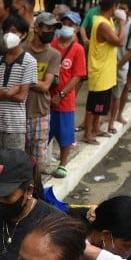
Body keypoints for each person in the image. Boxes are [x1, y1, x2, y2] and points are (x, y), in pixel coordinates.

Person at [0, 15, 35, 175]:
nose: (8, 35)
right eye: (6, 31)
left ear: (23, 35)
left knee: (12, 164)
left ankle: (9, 197)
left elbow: (20, 96)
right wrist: (7, 92)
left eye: (13, 31)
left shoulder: (29, 61)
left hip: (14, 124)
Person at [24, 13, 62, 188]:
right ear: (37, 28)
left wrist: (23, 79)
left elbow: (45, 85)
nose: (51, 32)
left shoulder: (54, 54)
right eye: (48, 28)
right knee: (21, 156)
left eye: (53, 29)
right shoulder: (22, 49)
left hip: (41, 112)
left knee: (38, 158)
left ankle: (36, 189)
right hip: (20, 112)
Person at [82, 0, 124, 145]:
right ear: (114, 7)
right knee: (93, 105)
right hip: (99, 70)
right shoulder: (103, 24)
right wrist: (123, 23)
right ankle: (88, 133)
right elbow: (119, 41)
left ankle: (96, 128)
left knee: (100, 105)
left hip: (105, 70)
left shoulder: (107, 21)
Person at [48, 12, 85, 179]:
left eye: (71, 24)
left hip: (65, 100)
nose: (67, 27)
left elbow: (77, 76)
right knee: (45, 132)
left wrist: (61, 94)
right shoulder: (51, 45)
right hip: (47, 98)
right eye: (64, 23)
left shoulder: (78, 49)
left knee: (65, 133)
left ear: (76, 28)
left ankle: (62, 164)